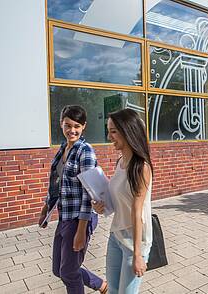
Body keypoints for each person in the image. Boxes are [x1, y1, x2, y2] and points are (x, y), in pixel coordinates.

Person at [38, 105, 107, 294]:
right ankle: (101, 285)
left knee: (68, 272)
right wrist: (46, 208)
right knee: (58, 269)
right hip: (65, 216)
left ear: (83, 126)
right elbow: (56, 184)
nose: (72, 130)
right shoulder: (62, 149)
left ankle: (99, 285)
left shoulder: (85, 151)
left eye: (77, 125)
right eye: (68, 125)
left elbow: (88, 192)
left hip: (80, 218)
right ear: (61, 124)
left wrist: (81, 230)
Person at [92, 108, 153, 294]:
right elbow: (117, 201)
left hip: (134, 242)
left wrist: (137, 255)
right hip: (116, 236)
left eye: (113, 131)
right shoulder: (120, 162)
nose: (109, 136)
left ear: (127, 131)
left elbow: (137, 211)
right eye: (108, 130)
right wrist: (101, 207)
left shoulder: (141, 167)